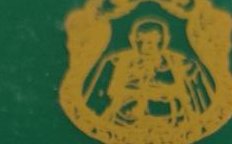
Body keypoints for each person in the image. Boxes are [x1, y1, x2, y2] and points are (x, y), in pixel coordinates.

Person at [85, 17, 214, 129]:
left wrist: (164, 91)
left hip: (171, 119)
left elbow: (185, 95)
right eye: (140, 42)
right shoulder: (119, 62)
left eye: (150, 43)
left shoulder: (179, 62)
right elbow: (111, 92)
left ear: (161, 41)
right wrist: (138, 93)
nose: (144, 47)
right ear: (133, 39)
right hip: (125, 118)